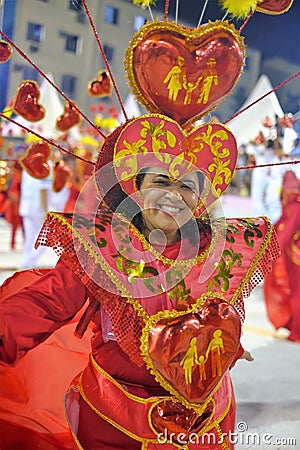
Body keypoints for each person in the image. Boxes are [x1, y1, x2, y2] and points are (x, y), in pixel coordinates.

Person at [0, 113, 280, 450]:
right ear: (136, 187)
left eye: (188, 186)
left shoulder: (221, 250)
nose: (174, 195)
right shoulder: (103, 245)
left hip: (207, 423)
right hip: (117, 419)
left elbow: (218, 323)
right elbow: (46, 302)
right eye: (161, 181)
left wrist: (228, 350)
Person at [263, 169, 300, 343]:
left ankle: (297, 332)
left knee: (296, 293)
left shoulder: (295, 206)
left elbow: (286, 232)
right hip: (294, 254)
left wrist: (273, 251)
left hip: (295, 257)